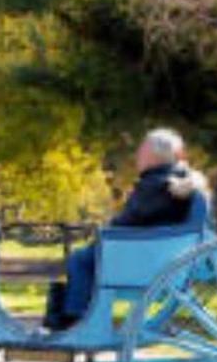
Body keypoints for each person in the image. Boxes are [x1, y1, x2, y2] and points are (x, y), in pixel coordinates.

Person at [41, 127, 208, 331]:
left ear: (151, 155)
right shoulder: (181, 181)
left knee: (79, 260)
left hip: (141, 260)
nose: (137, 156)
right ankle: (68, 317)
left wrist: (106, 233)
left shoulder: (155, 184)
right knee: (85, 257)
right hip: (160, 257)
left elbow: (130, 221)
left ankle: (73, 320)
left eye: (140, 151)